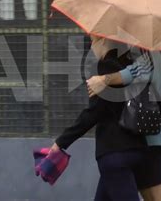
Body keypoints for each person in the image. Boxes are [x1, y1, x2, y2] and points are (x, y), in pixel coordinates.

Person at [50, 36, 152, 201]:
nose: (91, 46)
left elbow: (94, 112)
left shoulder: (104, 67)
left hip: (115, 153)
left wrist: (61, 142)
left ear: (104, 41)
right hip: (136, 147)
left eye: (93, 41)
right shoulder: (130, 66)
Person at [86, 47, 161, 201]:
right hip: (154, 136)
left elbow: (140, 71)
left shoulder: (143, 55)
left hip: (143, 137)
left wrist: (104, 79)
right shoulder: (160, 54)